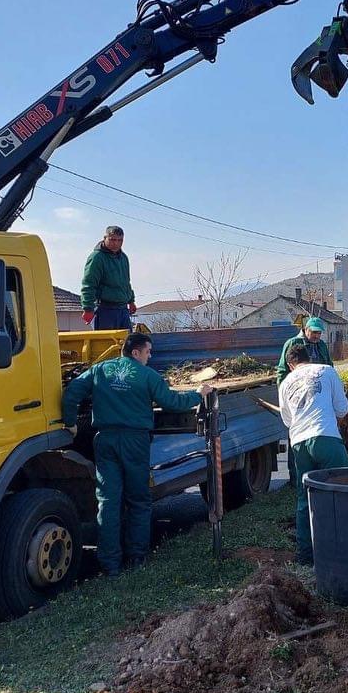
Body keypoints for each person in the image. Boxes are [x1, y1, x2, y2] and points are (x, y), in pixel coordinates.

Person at [61, 332, 213, 576]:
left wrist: (71, 423)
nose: (150, 356)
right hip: (135, 442)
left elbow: (72, 392)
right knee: (139, 500)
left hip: (106, 440)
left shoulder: (100, 370)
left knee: (108, 502)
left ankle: (109, 564)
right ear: (135, 352)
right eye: (148, 351)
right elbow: (172, 402)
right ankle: (136, 558)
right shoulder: (147, 376)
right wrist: (198, 394)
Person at [278, 342, 348, 565]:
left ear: (291, 365)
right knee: (343, 489)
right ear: (308, 358)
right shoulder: (326, 371)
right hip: (326, 436)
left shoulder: (285, 383)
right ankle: (343, 548)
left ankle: (306, 555)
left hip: (299, 443)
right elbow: (342, 408)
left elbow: (287, 420)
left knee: (305, 497)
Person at [277, 317, 335, 491]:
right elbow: (282, 371)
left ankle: (319, 476)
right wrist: (285, 397)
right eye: (314, 332)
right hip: (299, 396)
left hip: (318, 393)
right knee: (298, 435)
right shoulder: (293, 343)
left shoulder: (321, 345)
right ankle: (296, 478)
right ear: (306, 329)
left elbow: (329, 365)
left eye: (319, 333)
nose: (317, 336)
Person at [80, 226, 137, 330]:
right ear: (105, 238)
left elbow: (126, 282)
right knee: (106, 340)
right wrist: (88, 308)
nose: (116, 243)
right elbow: (89, 284)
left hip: (123, 309)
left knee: (127, 340)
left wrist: (131, 301)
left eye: (120, 240)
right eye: (112, 240)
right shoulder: (97, 257)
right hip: (105, 309)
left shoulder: (123, 258)